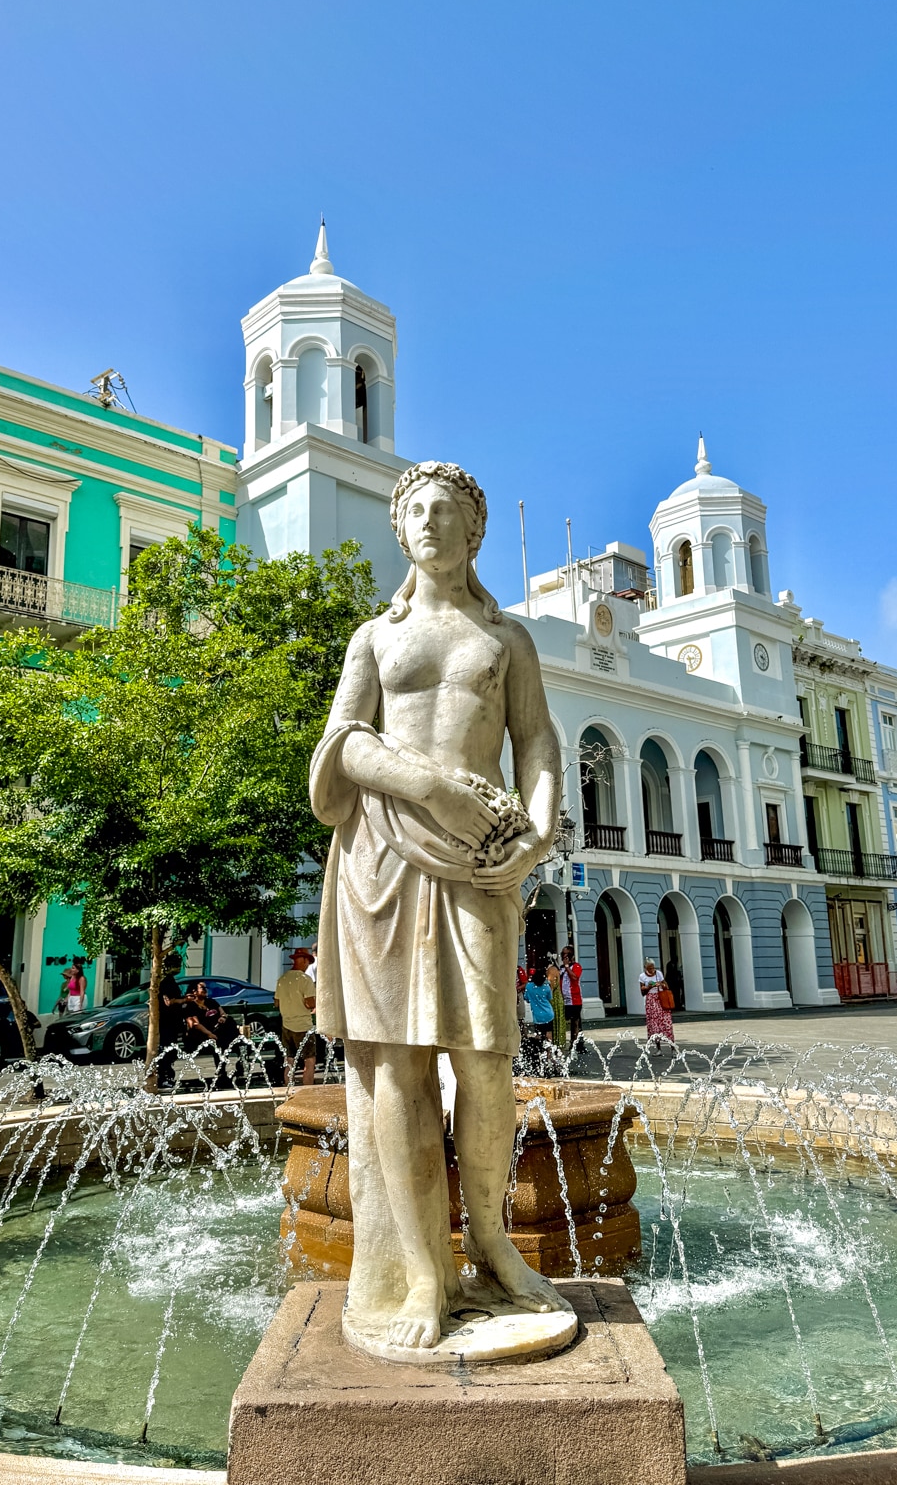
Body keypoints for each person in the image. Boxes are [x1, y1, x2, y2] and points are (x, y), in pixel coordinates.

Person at [310, 458, 568, 1354]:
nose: (428, 521)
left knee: (485, 1060)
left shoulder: (509, 640)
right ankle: (423, 1273)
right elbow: (341, 746)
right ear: (399, 527)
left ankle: (493, 1244)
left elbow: (537, 747)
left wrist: (534, 839)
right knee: (398, 1072)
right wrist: (427, 785)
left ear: (474, 530)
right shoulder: (374, 640)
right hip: (381, 861)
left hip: (483, 868)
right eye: (414, 509)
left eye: (445, 510)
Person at [275, 947, 318, 1086]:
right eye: (308, 962)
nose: (308, 966)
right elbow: (310, 1004)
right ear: (304, 960)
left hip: (286, 1025)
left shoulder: (282, 979)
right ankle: (307, 1091)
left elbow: (277, 1002)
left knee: (289, 1060)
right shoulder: (305, 979)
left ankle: (288, 1089)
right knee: (309, 1061)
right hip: (303, 1026)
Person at [155, 957, 186, 1090]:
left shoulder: (169, 981)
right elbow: (168, 1002)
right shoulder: (166, 982)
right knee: (167, 1050)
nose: (179, 968)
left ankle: (167, 1076)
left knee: (171, 1050)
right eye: (177, 965)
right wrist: (184, 1000)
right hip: (167, 1022)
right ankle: (164, 1077)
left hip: (172, 1021)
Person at [523, 966, 555, 1073]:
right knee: (548, 1035)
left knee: (539, 1035)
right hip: (548, 1014)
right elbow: (550, 998)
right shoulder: (546, 986)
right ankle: (549, 1057)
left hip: (537, 1016)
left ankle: (539, 1055)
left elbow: (526, 998)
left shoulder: (529, 986)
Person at [640, 958, 674, 1052]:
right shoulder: (642, 976)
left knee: (666, 1024)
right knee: (654, 1025)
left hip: (661, 999)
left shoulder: (658, 973)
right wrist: (649, 987)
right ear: (645, 968)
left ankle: (673, 1048)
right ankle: (658, 1049)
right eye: (649, 968)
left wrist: (661, 985)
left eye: (653, 968)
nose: (652, 970)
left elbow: (666, 985)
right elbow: (642, 992)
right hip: (651, 1002)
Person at [561, 948, 584, 1051]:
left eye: (566, 954)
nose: (563, 957)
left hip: (574, 999)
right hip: (564, 999)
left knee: (575, 1022)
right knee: (565, 1021)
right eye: (562, 954)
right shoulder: (561, 968)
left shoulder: (576, 966)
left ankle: (576, 1044)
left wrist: (567, 967)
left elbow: (575, 977)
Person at [546, 962, 567, 1056]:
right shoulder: (555, 969)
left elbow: (551, 985)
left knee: (554, 1023)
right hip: (558, 999)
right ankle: (559, 1046)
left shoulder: (551, 970)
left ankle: (556, 1046)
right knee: (559, 1022)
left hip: (554, 1000)